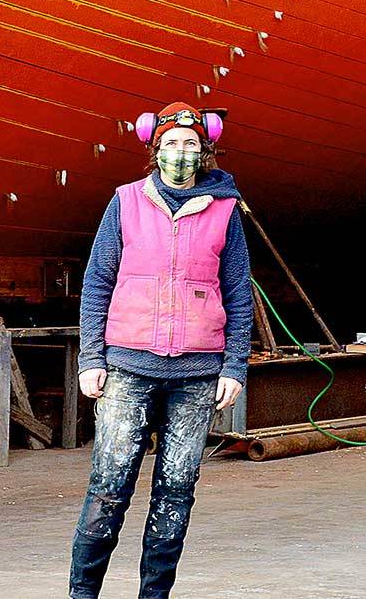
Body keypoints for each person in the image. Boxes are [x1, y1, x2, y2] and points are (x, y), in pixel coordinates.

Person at [68, 102, 252, 599]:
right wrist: (91, 358)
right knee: (109, 488)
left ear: (205, 150)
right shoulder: (126, 202)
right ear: (154, 149)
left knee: (175, 493)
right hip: (127, 367)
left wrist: (235, 365)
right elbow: (97, 282)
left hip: (197, 374)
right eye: (171, 144)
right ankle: (82, 595)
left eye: (191, 145)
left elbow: (237, 291)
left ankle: (155, 596)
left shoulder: (224, 210)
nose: (181, 153)